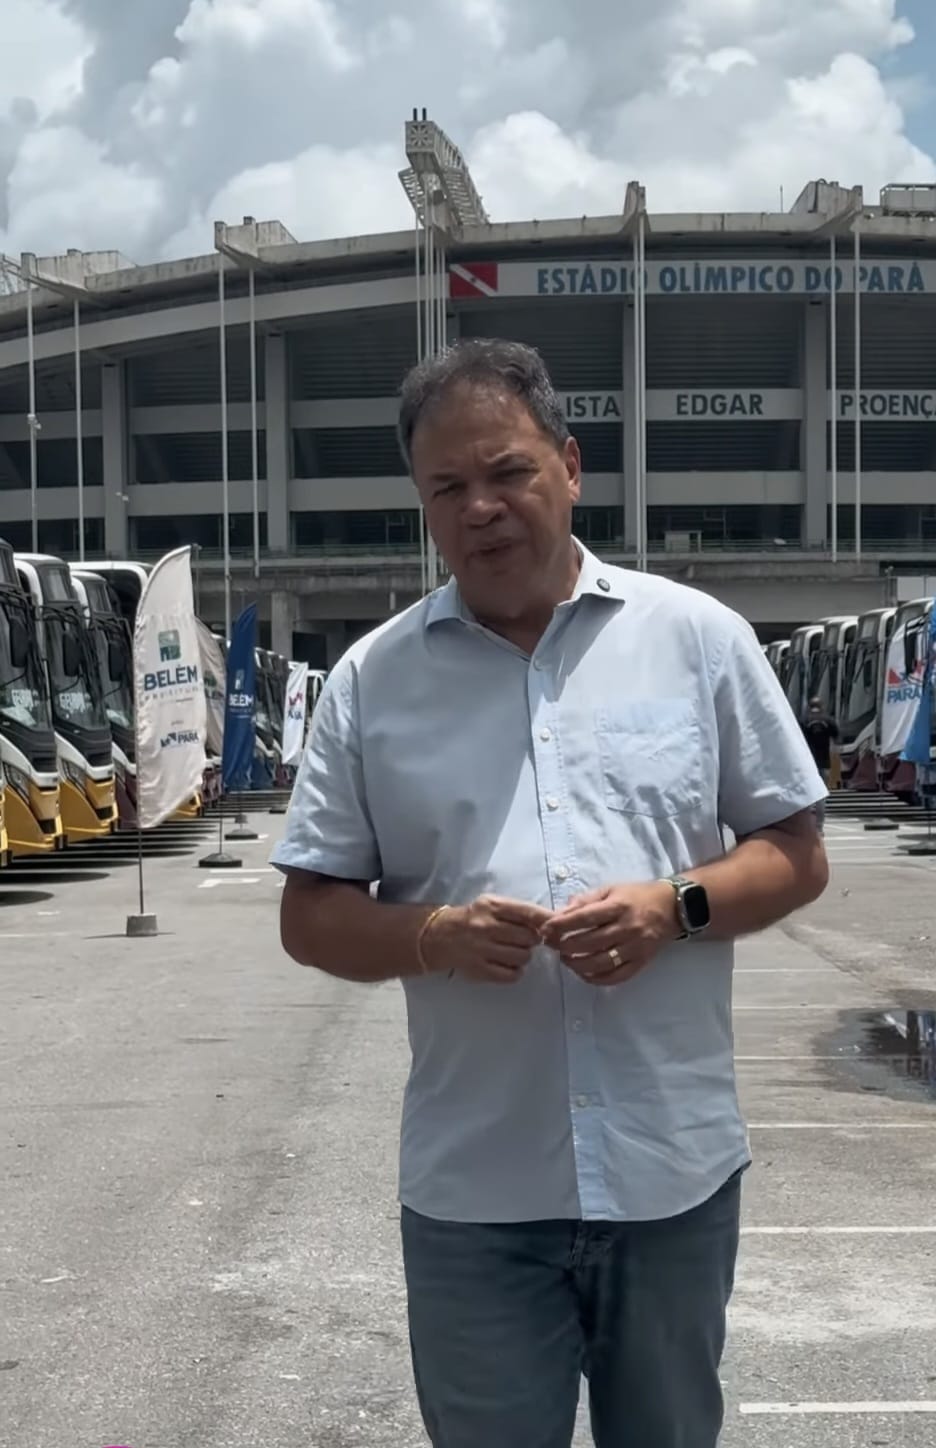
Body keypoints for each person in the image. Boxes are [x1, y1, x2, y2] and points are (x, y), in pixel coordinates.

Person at [273, 338, 830, 1448]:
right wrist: (434, 932)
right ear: (424, 506)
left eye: (508, 471)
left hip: (669, 1177)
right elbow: (311, 914)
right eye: (447, 487)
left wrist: (674, 906)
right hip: (476, 1195)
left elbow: (796, 851)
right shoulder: (373, 680)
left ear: (570, 467)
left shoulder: (698, 640)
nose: (480, 508)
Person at [801, 696, 838, 833]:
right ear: (822, 706)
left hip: (808, 764)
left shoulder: (804, 721)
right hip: (825, 762)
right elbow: (836, 736)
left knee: (808, 796)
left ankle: (807, 827)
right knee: (821, 796)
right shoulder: (828, 720)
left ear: (809, 706)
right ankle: (819, 828)